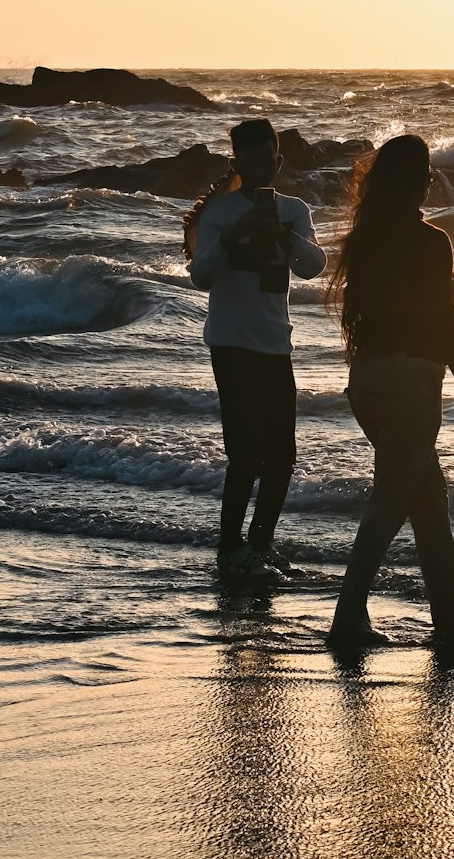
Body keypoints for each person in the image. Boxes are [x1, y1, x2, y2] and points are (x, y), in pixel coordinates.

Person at [326, 134, 454, 647]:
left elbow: (399, 306)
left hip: (368, 380)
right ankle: (347, 616)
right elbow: (441, 324)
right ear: (414, 180)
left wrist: (445, 282)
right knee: (390, 505)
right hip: (409, 386)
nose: (430, 179)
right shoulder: (430, 240)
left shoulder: (366, 238)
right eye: (425, 172)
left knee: (428, 498)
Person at [185, 118, 329, 578]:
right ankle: (230, 547)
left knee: (283, 456)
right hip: (229, 342)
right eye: (250, 162)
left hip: (275, 344)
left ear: (279, 162)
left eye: (268, 160)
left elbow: (315, 267)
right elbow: (200, 276)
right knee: (245, 453)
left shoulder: (294, 210)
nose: (261, 168)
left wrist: (284, 236)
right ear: (237, 164)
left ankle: (261, 542)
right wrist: (234, 234)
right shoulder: (220, 213)